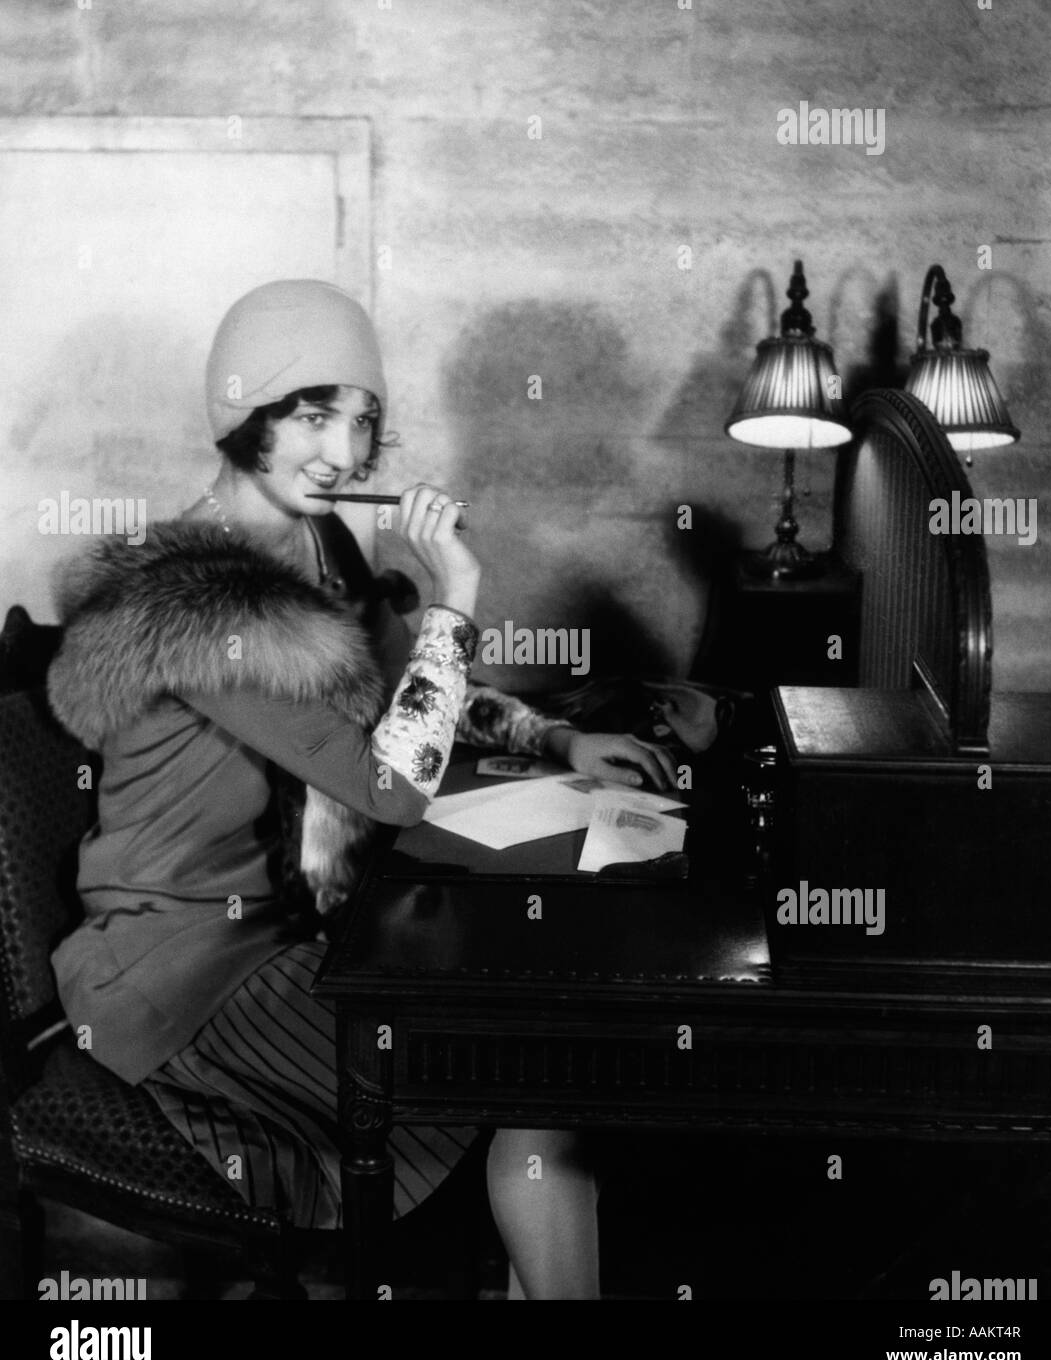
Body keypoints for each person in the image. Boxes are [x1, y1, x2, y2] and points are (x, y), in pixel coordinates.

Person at [46, 279, 675, 1300]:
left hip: (305, 925)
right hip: (188, 969)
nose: (343, 451)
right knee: (530, 1080)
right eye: (312, 414)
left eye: (363, 419)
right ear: (241, 415)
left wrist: (553, 735)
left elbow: (402, 700)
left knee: (546, 1072)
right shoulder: (206, 601)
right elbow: (392, 784)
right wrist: (455, 598)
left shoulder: (322, 542)